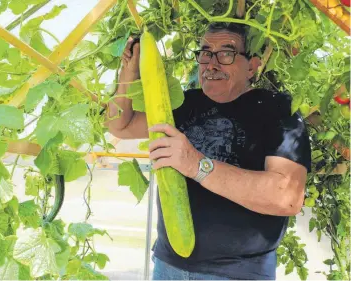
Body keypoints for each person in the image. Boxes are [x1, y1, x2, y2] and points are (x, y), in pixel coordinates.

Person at [105, 22, 312, 280]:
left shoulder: (280, 109)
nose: (211, 64)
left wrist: (196, 165)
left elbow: (288, 197)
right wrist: (128, 70)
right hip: (168, 266)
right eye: (205, 53)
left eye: (226, 53)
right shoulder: (183, 103)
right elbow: (119, 125)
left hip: (238, 274)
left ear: (252, 66)